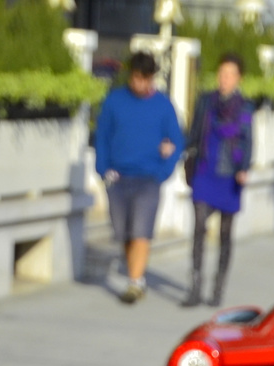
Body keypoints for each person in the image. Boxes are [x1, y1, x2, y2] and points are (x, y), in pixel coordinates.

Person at [95, 51, 183, 304]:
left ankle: (135, 282)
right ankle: (136, 274)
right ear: (130, 76)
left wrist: (162, 172)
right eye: (137, 78)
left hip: (148, 180)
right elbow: (102, 136)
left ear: (152, 78)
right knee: (123, 234)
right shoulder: (114, 101)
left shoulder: (164, 105)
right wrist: (103, 170)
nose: (141, 84)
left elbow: (176, 141)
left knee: (141, 232)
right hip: (118, 178)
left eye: (146, 79)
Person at [182, 54, 253, 308]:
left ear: (238, 78)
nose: (225, 79)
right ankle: (195, 286)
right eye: (222, 74)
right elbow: (193, 132)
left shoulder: (245, 106)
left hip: (229, 173)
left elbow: (247, 140)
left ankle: (218, 288)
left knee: (225, 233)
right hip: (205, 169)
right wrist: (179, 148)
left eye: (230, 74)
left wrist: (244, 168)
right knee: (199, 226)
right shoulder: (205, 101)